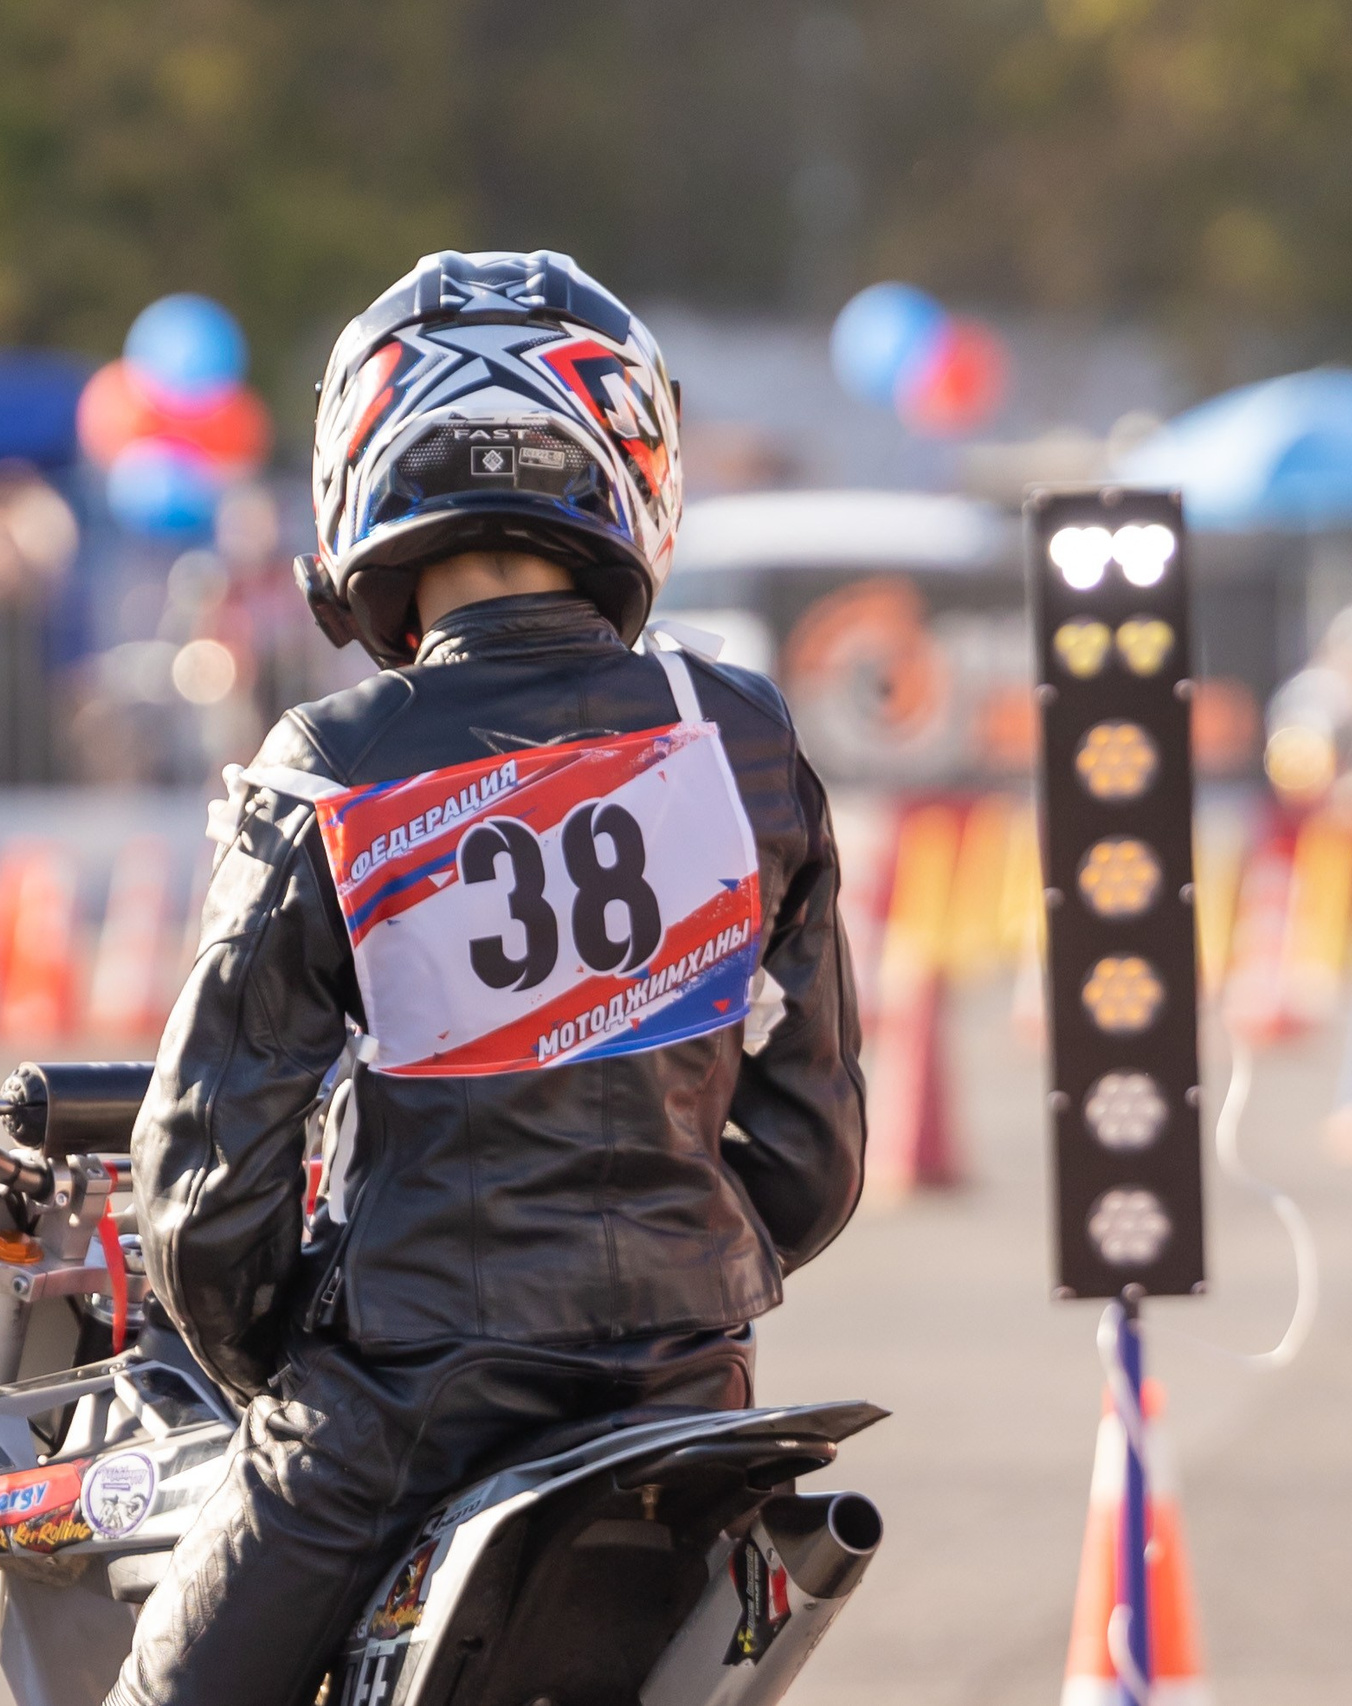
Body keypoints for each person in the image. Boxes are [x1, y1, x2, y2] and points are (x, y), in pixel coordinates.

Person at [114, 250, 866, 1706]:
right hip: (688, 1395)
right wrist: (668, 1277)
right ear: (626, 460)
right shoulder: (741, 739)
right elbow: (810, 1153)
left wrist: (297, 1361)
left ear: (362, 462)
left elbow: (207, 1187)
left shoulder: (333, 762)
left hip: (409, 1398)